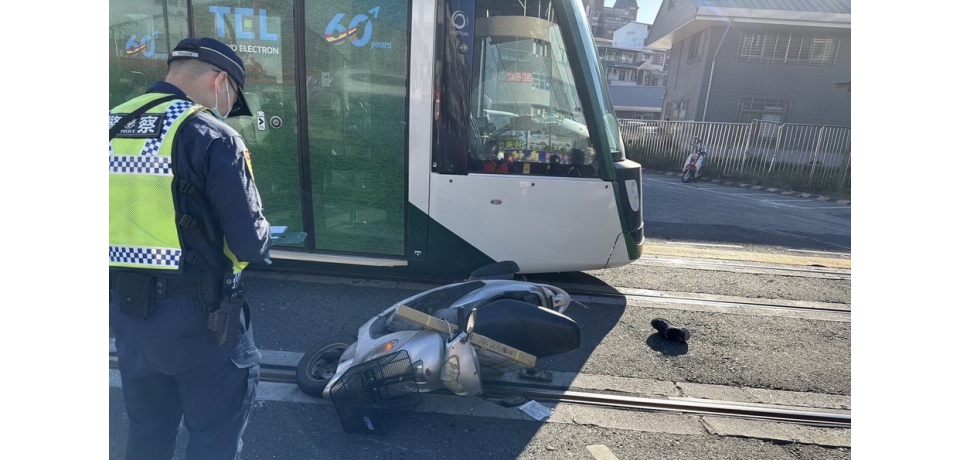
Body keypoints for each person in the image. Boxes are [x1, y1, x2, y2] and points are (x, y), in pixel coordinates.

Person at [108, 37, 273, 460]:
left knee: (147, 431)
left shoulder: (108, 125)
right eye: (232, 96)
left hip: (128, 315)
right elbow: (249, 243)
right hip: (203, 321)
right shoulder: (211, 136)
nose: (227, 106)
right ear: (220, 80)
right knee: (213, 437)